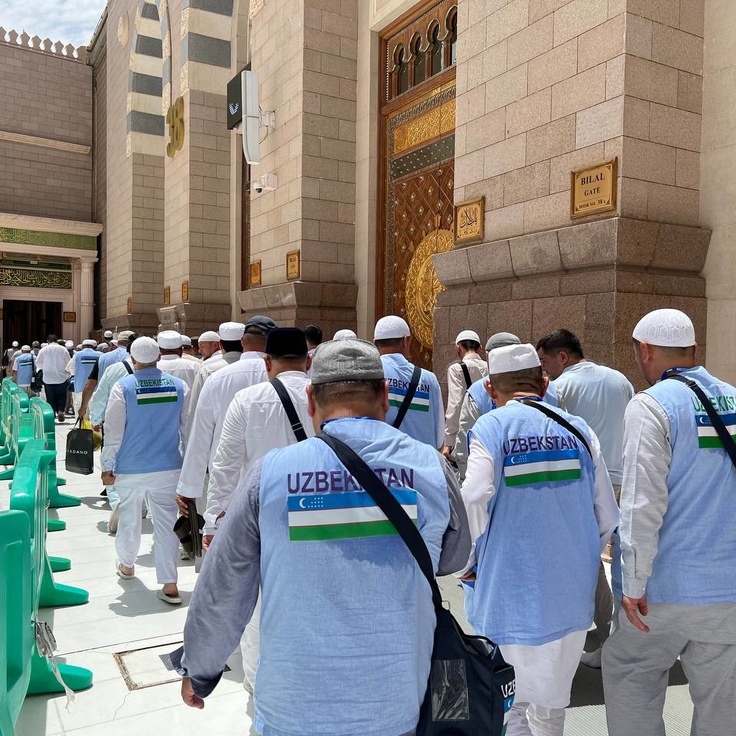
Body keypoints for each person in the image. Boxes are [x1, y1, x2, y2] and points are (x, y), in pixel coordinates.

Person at [173, 338, 470, 735]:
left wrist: (199, 667)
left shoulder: (270, 474)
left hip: (292, 707)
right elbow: (454, 556)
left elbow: (225, 584)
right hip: (396, 703)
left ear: (311, 399)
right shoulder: (432, 467)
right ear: (385, 395)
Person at [460, 343, 618, 736]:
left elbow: (473, 496)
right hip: (569, 598)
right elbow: (608, 515)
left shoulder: (492, 428)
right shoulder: (579, 430)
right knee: (551, 707)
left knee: (509, 705)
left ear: (490, 388)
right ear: (544, 383)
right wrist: (581, 557)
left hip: (506, 593)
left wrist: (468, 562)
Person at [602, 309, 736, 736]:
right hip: (728, 589)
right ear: (694, 349)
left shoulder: (651, 405)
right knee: (722, 702)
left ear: (645, 350)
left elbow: (641, 502)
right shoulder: (734, 399)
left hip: (660, 591)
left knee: (632, 675)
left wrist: (633, 583)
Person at [179, 327, 312, 693]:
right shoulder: (321, 395)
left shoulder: (248, 399)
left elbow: (224, 466)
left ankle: (256, 681)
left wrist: (213, 521)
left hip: (261, 513)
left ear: (267, 361)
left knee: (257, 601)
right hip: (314, 509)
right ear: (308, 360)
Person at [536, 329, 634, 667]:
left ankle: (601, 633)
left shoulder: (560, 387)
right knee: (623, 562)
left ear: (562, 357)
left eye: (545, 362)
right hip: (623, 480)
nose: (543, 370)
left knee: (583, 560)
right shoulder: (620, 380)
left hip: (586, 484)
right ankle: (618, 633)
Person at [101, 336, 189, 605]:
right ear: (159, 356)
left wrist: (106, 466)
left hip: (130, 467)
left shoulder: (123, 386)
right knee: (166, 525)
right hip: (169, 466)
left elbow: (113, 431)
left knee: (130, 518)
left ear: (132, 359)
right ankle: (170, 584)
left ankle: (127, 565)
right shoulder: (179, 386)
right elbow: (187, 428)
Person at [186, 315, 275, 535]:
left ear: (243, 341)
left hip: (224, 479)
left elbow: (198, 432)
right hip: (273, 477)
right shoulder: (281, 375)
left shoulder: (214, 375)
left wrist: (189, 486)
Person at [89, 334, 138, 533]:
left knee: (111, 462)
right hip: (141, 426)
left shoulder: (114, 369)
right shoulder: (157, 372)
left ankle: (117, 502)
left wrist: (95, 419)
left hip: (114, 423)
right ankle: (140, 507)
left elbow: (100, 395)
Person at [374, 315, 444, 448]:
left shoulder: (371, 375)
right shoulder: (430, 379)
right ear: (406, 341)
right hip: (422, 459)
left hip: (384, 459)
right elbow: (440, 437)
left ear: (374, 343)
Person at [442, 329, 488, 461]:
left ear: (458, 347)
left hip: (466, 432)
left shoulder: (456, 369)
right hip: (488, 429)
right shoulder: (490, 367)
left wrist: (449, 441)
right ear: (480, 348)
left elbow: (455, 404)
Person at [187, 322, 245, 422]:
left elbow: (196, 409)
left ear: (218, 345)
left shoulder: (207, 369)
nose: (200, 350)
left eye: (202, 346)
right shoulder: (264, 368)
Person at [79, 331, 136, 419]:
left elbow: (90, 386)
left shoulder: (102, 358)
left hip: (106, 412)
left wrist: (83, 407)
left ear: (118, 341)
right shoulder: (135, 358)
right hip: (130, 410)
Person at [36, 336, 71, 422]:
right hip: (61, 377)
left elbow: (38, 363)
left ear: (48, 341)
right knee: (62, 395)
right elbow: (68, 362)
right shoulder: (63, 349)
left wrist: (44, 367)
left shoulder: (44, 349)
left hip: (48, 378)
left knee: (50, 397)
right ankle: (61, 410)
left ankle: (52, 413)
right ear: (57, 341)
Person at [67, 339, 99, 413]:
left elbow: (69, 369)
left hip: (80, 388)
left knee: (80, 413)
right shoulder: (100, 355)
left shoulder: (77, 355)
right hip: (97, 389)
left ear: (83, 346)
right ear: (93, 346)